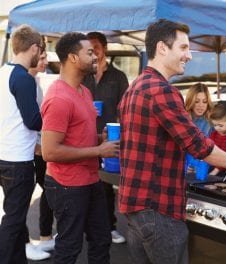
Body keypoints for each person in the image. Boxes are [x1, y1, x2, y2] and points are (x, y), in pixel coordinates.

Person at [118, 19, 226, 264]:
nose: (189, 56)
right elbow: (199, 146)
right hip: (158, 209)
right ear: (163, 48)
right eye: (183, 48)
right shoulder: (162, 90)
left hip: (135, 207)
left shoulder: (136, 86)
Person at [41, 32, 120, 264]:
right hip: (67, 186)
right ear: (73, 58)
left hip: (90, 179)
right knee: (69, 248)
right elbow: (50, 151)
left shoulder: (84, 91)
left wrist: (98, 138)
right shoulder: (58, 98)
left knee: (101, 240)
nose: (95, 55)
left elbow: (77, 136)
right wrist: (98, 151)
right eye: (89, 52)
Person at [0, 24, 42, 264]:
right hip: (18, 162)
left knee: (14, 218)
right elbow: (34, 121)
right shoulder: (23, 78)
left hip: (4, 155)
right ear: (34, 47)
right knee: (13, 221)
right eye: (41, 49)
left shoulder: (3, 72)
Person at [82, 31, 128, 244]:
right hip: (85, 136)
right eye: (89, 49)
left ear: (104, 49)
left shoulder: (118, 76)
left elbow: (126, 110)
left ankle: (110, 227)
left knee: (107, 184)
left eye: (96, 48)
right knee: (85, 182)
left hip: (110, 138)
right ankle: (83, 227)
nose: (93, 52)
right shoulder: (83, 75)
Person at [26, 40, 55, 261]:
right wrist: (37, 145)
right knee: (21, 199)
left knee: (48, 191)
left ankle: (45, 237)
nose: (45, 62)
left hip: (39, 148)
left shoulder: (35, 81)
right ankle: (27, 243)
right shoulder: (23, 81)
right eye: (42, 57)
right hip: (29, 151)